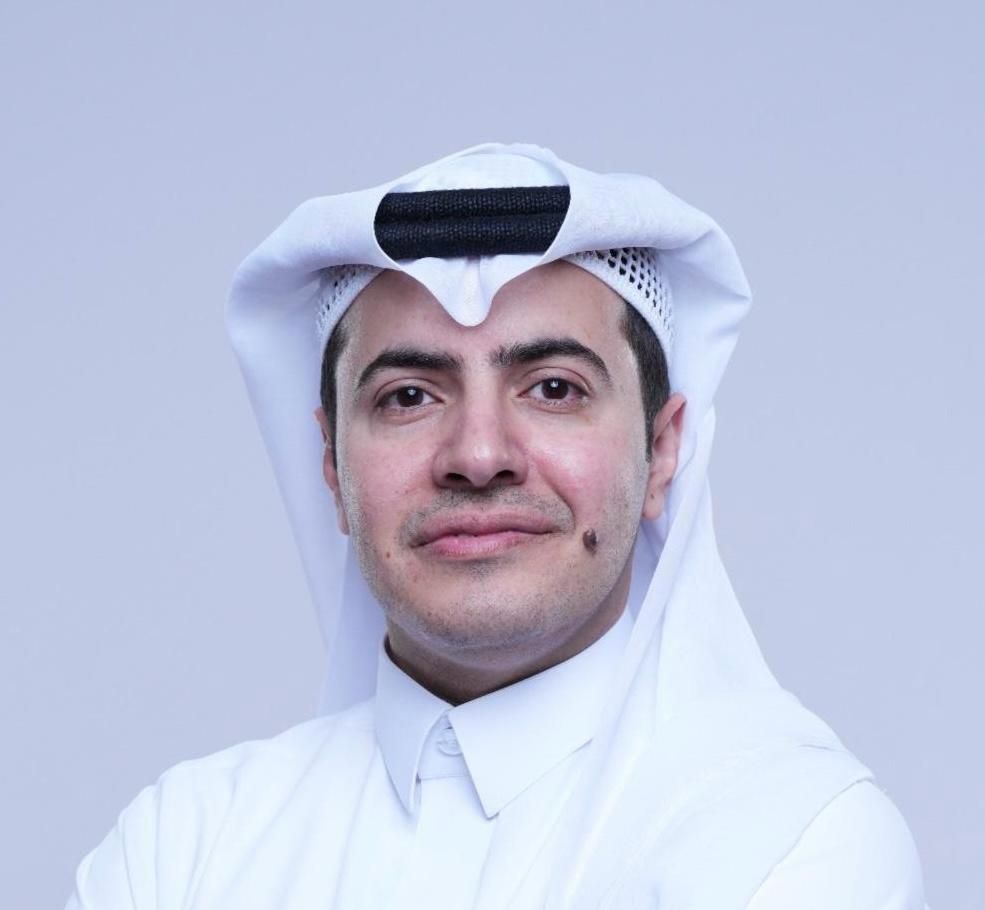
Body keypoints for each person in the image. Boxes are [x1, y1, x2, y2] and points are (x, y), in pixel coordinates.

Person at [66, 143, 926, 908]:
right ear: (331, 465)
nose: (479, 455)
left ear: (662, 450)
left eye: (553, 388)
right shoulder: (184, 845)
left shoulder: (788, 835)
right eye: (409, 396)